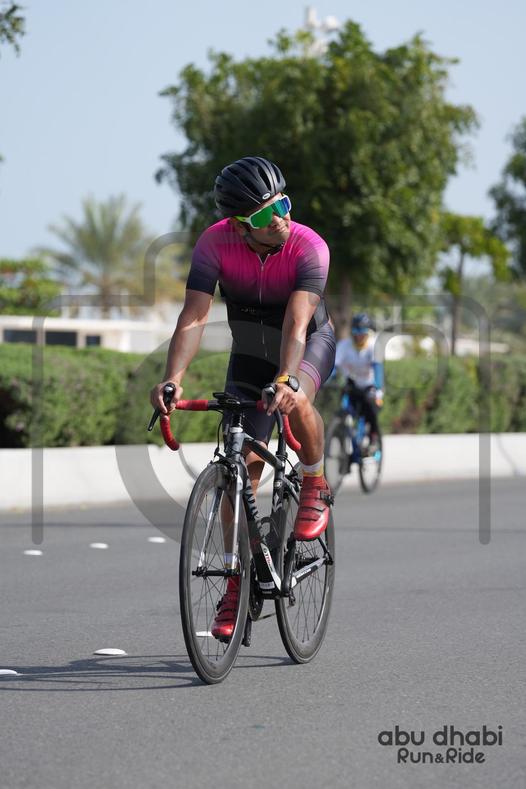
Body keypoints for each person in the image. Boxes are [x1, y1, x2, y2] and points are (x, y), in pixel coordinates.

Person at [150, 156, 336, 639]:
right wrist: (172, 378)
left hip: (306, 343)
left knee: (298, 399)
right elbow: (194, 316)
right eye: (264, 215)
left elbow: (297, 323)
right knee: (240, 469)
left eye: (283, 205)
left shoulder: (310, 246)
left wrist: (287, 379)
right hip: (250, 354)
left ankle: (315, 483)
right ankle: (237, 581)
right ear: (238, 224)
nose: (280, 219)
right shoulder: (214, 243)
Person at [334, 313, 384, 450]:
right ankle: (342, 433)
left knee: (371, 408)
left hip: (369, 384)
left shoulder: (373, 346)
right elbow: (334, 366)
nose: (360, 337)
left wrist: (379, 389)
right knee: (344, 407)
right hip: (352, 382)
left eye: (363, 333)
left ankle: (373, 436)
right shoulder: (344, 345)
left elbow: (378, 368)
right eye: (357, 333)